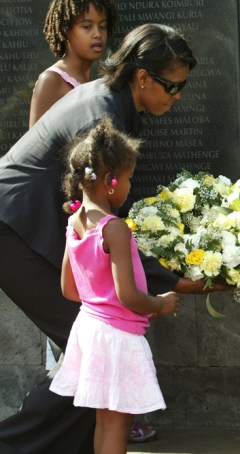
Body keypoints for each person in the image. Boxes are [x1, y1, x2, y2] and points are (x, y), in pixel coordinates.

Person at [0, 23, 217, 454]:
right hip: (11, 228)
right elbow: (102, 221)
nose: (177, 98)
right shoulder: (102, 116)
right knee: (92, 343)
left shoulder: (112, 102)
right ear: (142, 78)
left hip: (23, 227)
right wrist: (172, 281)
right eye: (172, 87)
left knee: (89, 348)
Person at [49, 118, 178, 454]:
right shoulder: (114, 228)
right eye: (130, 178)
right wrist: (160, 304)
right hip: (117, 337)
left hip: (89, 330)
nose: (130, 185)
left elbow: (69, 289)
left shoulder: (74, 223)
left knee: (104, 422)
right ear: (110, 181)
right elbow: (128, 295)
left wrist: (97, 298)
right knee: (118, 423)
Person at [30, 0, 117, 128]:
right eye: (87, 27)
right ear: (66, 29)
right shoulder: (51, 81)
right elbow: (35, 145)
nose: (97, 34)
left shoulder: (96, 80)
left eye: (102, 26)